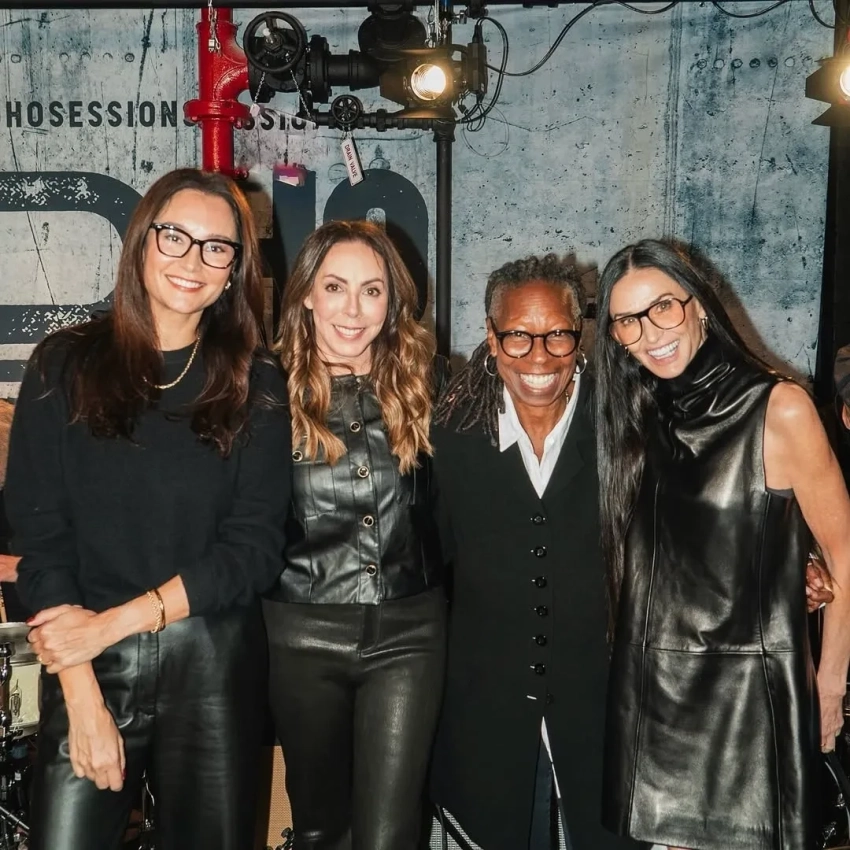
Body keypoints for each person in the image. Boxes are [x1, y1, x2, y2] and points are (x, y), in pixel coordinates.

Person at [6, 168, 292, 850]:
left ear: (234, 268)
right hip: (89, 661)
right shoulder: (61, 365)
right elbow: (41, 543)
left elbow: (253, 549)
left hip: (213, 664)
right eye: (174, 237)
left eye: (216, 247)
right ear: (141, 241)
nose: (192, 261)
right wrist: (82, 690)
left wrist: (115, 623)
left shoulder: (256, 380)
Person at [595, 239, 850, 850]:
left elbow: (846, 552)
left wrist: (830, 686)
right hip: (657, 696)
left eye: (662, 307)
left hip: (750, 704)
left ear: (699, 304)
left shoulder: (779, 408)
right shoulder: (638, 412)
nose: (649, 334)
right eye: (627, 321)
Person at [429, 254, 639, 850]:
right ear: (491, 337)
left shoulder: (626, 426)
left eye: (558, 335)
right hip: (486, 715)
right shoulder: (452, 436)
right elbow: (426, 560)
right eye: (518, 336)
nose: (539, 356)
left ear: (582, 334)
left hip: (603, 715)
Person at [263, 219, 446, 850]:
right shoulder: (264, 391)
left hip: (410, 634)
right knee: (322, 829)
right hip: (298, 637)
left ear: (392, 302)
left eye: (372, 290)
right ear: (306, 296)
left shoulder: (430, 383)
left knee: (390, 834)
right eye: (335, 287)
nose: (353, 309)